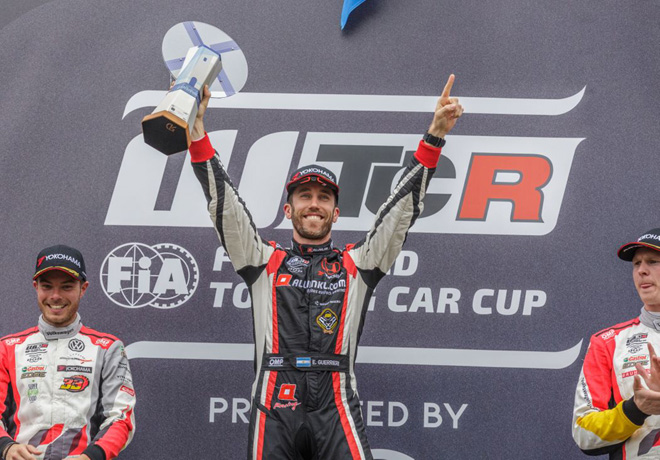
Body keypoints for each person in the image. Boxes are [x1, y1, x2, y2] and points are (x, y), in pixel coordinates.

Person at [189, 75, 463, 460]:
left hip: (336, 402)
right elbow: (226, 206)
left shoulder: (357, 264)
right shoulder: (264, 261)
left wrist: (434, 136)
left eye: (323, 197)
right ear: (289, 210)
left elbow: (400, 212)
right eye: (305, 196)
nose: (314, 204)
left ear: (336, 212)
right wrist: (197, 132)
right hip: (274, 402)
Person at [0, 245, 136, 460]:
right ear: (36, 287)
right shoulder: (7, 348)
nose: (55, 296)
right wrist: (6, 447)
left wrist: (89, 457)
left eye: (66, 287)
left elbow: (121, 418)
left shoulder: (107, 349)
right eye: (47, 286)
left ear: (83, 288)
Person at [573, 229, 660, 459]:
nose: (641, 270)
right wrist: (636, 409)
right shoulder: (608, 342)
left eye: (653, 261)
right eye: (637, 263)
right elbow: (583, 432)